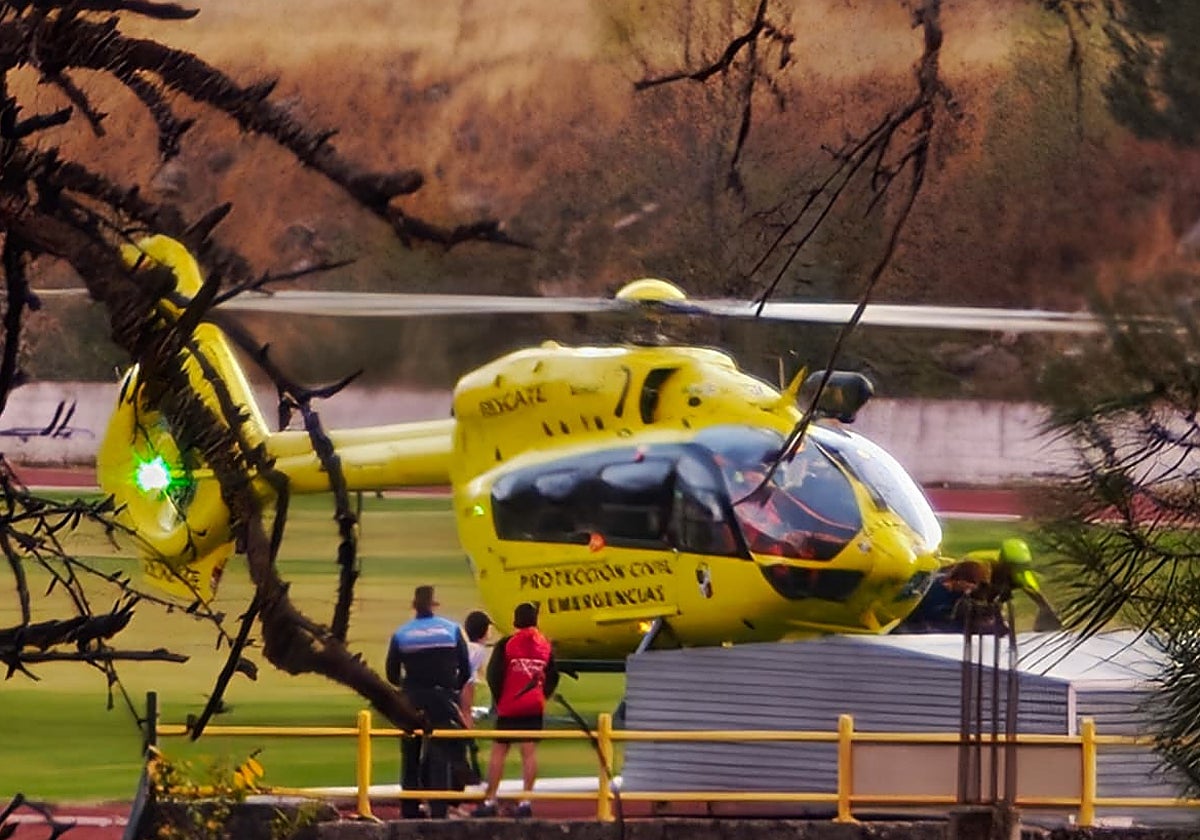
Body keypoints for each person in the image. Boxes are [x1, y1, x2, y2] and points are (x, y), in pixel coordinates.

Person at [386, 585, 471, 819]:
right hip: (443, 697)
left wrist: (408, 686)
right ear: (435, 605)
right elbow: (465, 669)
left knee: (410, 755)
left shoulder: (402, 634)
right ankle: (439, 810)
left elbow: (391, 673)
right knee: (440, 755)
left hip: (412, 699)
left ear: (414, 606)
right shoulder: (452, 629)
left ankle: (410, 809)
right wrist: (452, 687)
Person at [472, 602, 559, 819]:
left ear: (515, 621)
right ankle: (526, 801)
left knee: (499, 752)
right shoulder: (545, 645)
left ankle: (491, 799)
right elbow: (553, 676)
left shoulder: (507, 644)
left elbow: (494, 674)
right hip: (533, 705)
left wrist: (501, 699)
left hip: (510, 704)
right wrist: (541, 695)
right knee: (529, 753)